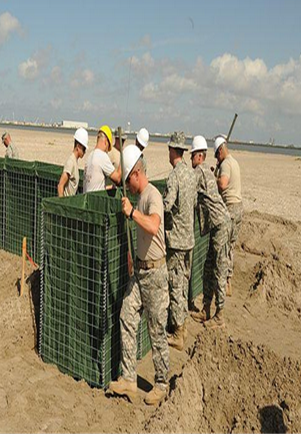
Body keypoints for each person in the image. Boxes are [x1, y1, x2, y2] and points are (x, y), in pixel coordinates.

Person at [108, 145, 169, 407]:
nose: (127, 186)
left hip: (155, 274)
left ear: (136, 174)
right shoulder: (140, 196)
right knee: (127, 314)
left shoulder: (152, 195)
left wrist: (132, 213)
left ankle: (163, 383)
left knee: (156, 330)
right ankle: (129, 378)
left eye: (128, 181)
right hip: (142, 271)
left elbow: (153, 225)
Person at [189, 135, 232, 329]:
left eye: (191, 156)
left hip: (221, 225)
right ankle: (206, 308)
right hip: (218, 225)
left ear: (198, 156)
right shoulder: (207, 170)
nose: (190, 160)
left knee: (219, 269)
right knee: (208, 266)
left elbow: (188, 192)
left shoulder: (199, 171)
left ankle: (220, 315)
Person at [163, 132, 196, 351]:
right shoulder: (191, 174)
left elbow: (166, 206)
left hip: (176, 240)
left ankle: (177, 333)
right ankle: (183, 326)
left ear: (173, 151)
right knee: (183, 283)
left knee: (175, 285)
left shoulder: (175, 176)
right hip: (189, 239)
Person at [214, 136, 242, 297]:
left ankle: (224, 283)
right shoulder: (234, 162)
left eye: (217, 155)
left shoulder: (225, 164)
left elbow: (223, 184)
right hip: (239, 207)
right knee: (231, 246)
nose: (217, 158)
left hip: (230, 208)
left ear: (220, 150)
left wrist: (214, 178)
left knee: (224, 247)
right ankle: (228, 279)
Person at [83, 125, 121, 192]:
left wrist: (110, 187)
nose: (107, 151)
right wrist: (122, 159)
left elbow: (94, 187)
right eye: (108, 148)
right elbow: (118, 179)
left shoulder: (90, 156)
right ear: (106, 141)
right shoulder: (102, 156)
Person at [57, 128, 88, 197]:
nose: (85, 152)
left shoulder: (74, 161)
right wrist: (62, 204)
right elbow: (60, 185)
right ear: (78, 146)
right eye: (84, 149)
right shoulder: (71, 162)